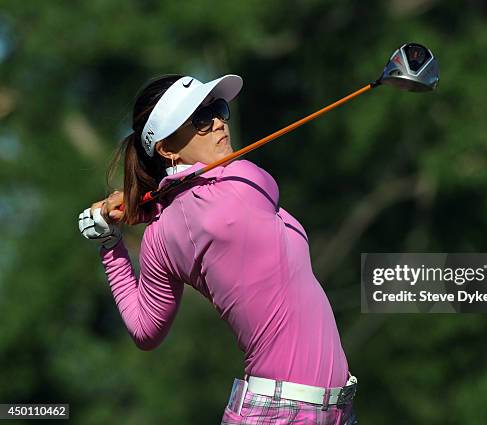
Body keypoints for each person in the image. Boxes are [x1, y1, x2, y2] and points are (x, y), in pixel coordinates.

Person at [78, 74, 358, 425]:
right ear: (166, 148)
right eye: (199, 118)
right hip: (279, 414)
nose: (218, 122)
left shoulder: (159, 237)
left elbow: (144, 331)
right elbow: (218, 202)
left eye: (218, 109)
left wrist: (110, 243)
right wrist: (143, 210)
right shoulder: (246, 180)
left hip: (331, 411)